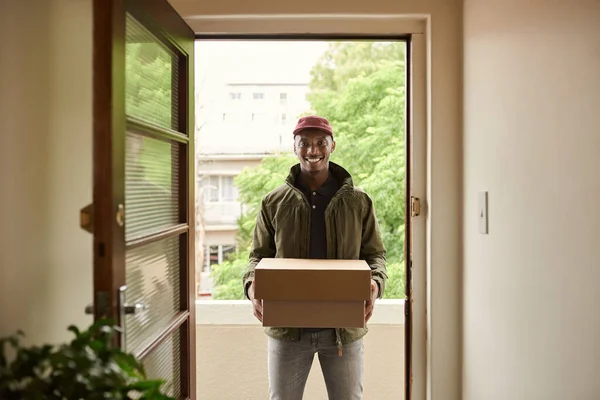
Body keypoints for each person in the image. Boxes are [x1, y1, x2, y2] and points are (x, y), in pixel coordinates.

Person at [242, 115, 387, 400]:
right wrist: (251, 287)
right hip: (287, 331)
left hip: (343, 331)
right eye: (304, 143)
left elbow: (376, 256)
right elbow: (257, 257)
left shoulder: (359, 201)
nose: (313, 150)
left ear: (333, 145)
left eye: (320, 142)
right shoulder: (273, 202)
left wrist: (375, 284)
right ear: (294, 147)